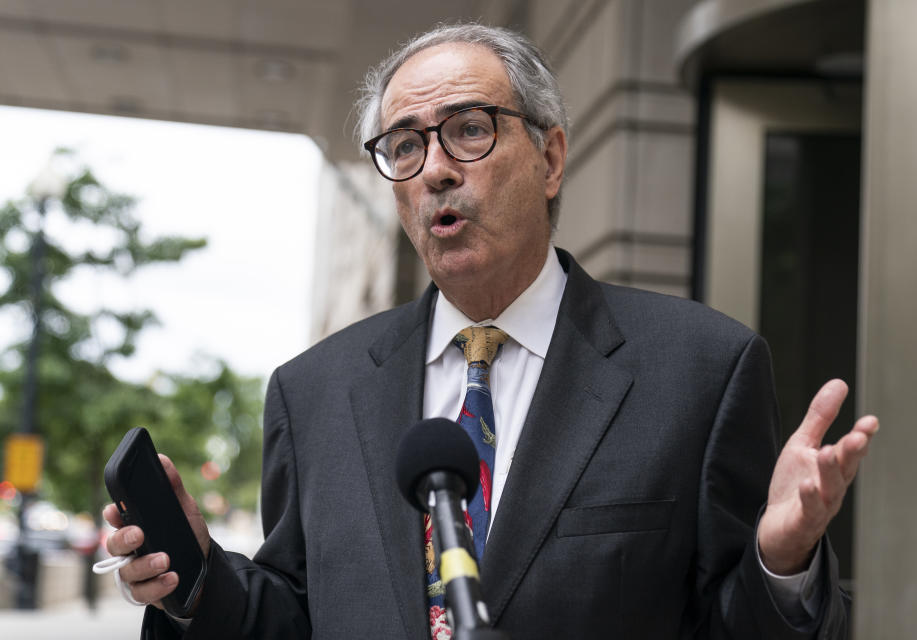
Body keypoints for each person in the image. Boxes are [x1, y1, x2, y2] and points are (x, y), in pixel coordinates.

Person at [104, 24, 878, 639]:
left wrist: (781, 563)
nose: (436, 169)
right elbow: (294, 615)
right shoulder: (314, 392)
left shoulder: (702, 369)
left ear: (550, 158)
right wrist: (200, 582)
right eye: (405, 145)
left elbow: (729, 623)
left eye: (469, 130)